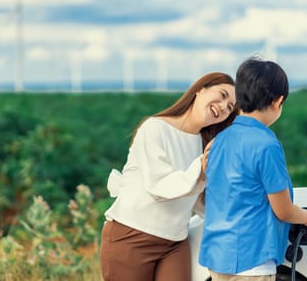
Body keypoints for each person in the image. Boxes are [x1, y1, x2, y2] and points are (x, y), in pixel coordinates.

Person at [99, 72, 238, 281]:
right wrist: (199, 168)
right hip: (131, 235)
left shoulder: (205, 143)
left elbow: (199, 202)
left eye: (230, 107)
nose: (224, 106)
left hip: (175, 242)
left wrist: (241, 217)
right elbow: (159, 187)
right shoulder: (155, 128)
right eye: (222, 94)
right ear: (200, 89)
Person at [199, 57, 307, 280]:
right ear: (278, 101)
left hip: (217, 259)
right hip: (252, 262)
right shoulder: (266, 144)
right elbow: (283, 210)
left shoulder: (219, 140)